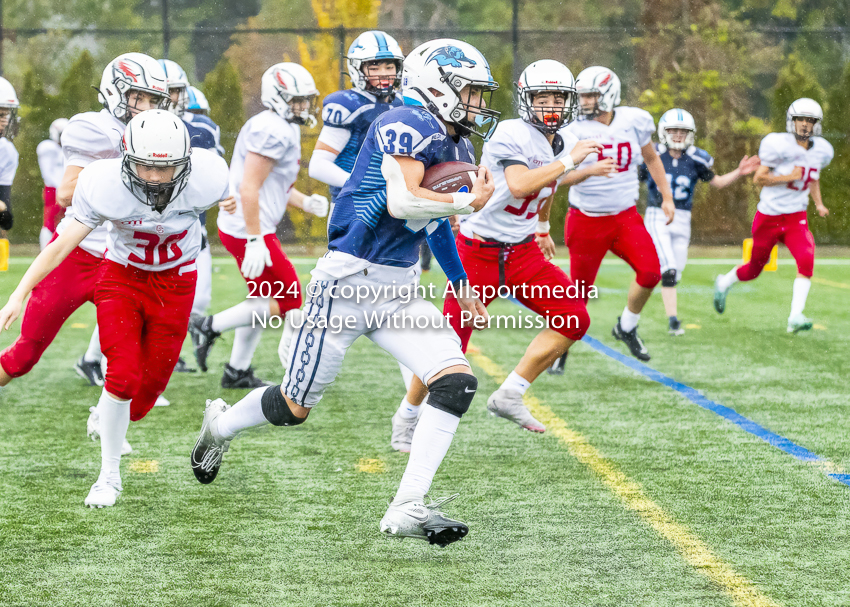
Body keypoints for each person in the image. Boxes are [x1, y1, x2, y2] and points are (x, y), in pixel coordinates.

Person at [190, 39, 498, 548]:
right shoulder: (404, 122)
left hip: (400, 290)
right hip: (348, 284)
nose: (477, 104)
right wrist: (467, 201)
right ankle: (219, 427)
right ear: (438, 86)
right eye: (469, 91)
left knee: (455, 382)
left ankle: (407, 507)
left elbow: (435, 221)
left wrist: (461, 284)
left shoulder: (458, 144)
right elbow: (402, 203)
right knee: (294, 406)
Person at [0, 110, 229, 507]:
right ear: (126, 158)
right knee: (121, 377)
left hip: (176, 284)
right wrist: (19, 293)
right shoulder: (103, 183)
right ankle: (108, 477)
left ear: (186, 162)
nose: (157, 178)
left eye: (167, 167)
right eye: (146, 166)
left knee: (143, 397)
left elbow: (230, 198)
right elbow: (60, 244)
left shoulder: (208, 177)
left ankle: (106, 413)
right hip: (121, 278)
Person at [391, 60, 601, 448]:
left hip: (522, 252)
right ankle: (407, 414)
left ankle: (510, 393)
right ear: (526, 99)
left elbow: (548, 184)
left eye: (558, 96)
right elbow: (521, 184)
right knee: (449, 344)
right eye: (543, 96)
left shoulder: (563, 139)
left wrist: (542, 226)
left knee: (574, 317)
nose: (551, 104)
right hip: (477, 251)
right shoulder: (510, 132)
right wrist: (570, 161)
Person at [0, 54, 169, 414]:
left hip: (122, 259)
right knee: (24, 356)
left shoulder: (155, 134)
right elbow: (66, 192)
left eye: (155, 100)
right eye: (141, 97)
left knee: (134, 357)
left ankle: (109, 426)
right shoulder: (95, 129)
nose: (148, 108)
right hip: (77, 255)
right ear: (115, 91)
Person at [188, 63, 329, 389]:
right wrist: (254, 239)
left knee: (261, 298)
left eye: (305, 100)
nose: (303, 107)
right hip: (247, 228)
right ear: (277, 98)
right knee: (291, 298)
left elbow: (272, 185)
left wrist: (305, 202)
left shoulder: (283, 125)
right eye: (296, 100)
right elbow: (249, 188)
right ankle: (208, 325)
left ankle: (236, 370)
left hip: (250, 226)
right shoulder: (272, 129)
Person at [561, 66, 674, 362]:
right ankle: (559, 346)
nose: (583, 102)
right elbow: (556, 178)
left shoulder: (634, 120)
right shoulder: (572, 128)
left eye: (590, 96)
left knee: (651, 273)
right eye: (582, 96)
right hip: (585, 218)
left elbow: (651, 157)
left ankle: (627, 326)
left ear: (608, 94)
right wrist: (589, 171)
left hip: (624, 218)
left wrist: (667, 196)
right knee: (579, 294)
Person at [713, 98, 832, 333]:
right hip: (769, 216)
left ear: (816, 124)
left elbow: (813, 177)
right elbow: (759, 179)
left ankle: (795, 317)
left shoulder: (822, 150)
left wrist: (818, 203)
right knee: (754, 269)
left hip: (796, 217)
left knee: (807, 258)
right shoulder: (778, 145)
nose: (805, 125)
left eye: (810, 120)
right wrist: (788, 177)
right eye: (801, 120)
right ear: (792, 121)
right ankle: (724, 282)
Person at [640, 108, 760, 335]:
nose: (677, 135)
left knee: (675, 273)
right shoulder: (652, 154)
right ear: (664, 131)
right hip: (658, 215)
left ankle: (672, 320)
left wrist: (739, 171)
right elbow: (633, 176)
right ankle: (667, 318)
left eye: (682, 131)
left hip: (683, 218)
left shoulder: (695, 158)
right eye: (673, 130)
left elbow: (719, 182)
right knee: (668, 269)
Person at [159, 59, 228, 372]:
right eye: (169, 91)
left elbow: (213, 180)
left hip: (188, 227)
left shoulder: (200, 130)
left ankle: (165, 353)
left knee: (196, 301)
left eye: (178, 91)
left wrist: (226, 194)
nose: (176, 98)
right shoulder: (131, 131)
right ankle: (99, 357)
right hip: (142, 228)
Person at [36, 118, 68, 249]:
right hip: (54, 189)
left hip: (65, 188)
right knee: (50, 222)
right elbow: (48, 173)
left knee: (67, 221)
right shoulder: (48, 147)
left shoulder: (65, 149)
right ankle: (45, 250)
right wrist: (60, 187)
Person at [0, 77, 20, 235]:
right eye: (0, 115)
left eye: (6, 115)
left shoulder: (6, 151)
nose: (5, 122)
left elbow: (7, 221)